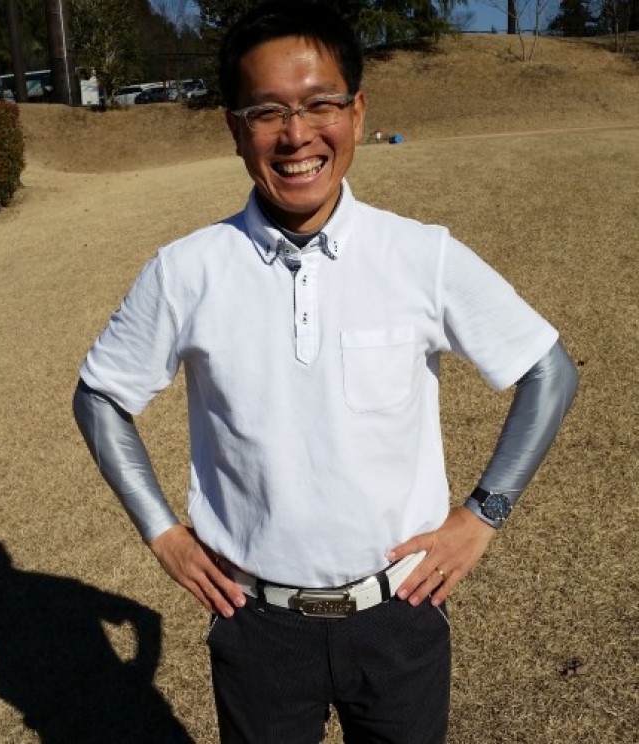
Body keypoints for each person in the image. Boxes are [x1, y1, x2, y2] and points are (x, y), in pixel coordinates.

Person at [73, 2, 579, 741]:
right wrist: (162, 533)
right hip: (257, 626)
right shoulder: (185, 272)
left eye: (320, 105)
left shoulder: (422, 255)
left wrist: (482, 516)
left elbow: (549, 371)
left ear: (358, 110)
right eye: (267, 111)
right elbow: (99, 396)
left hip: (400, 615)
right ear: (235, 128)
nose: (297, 135)